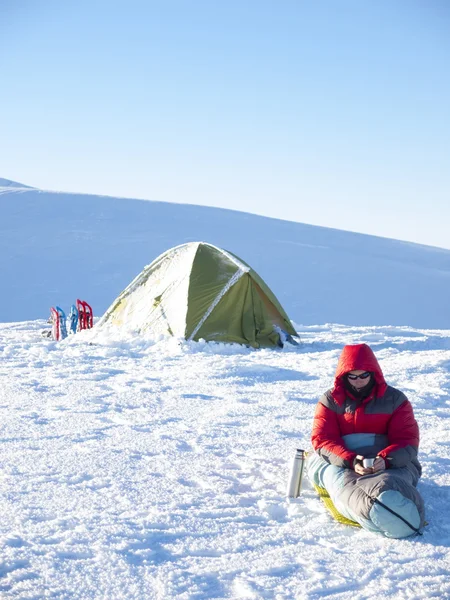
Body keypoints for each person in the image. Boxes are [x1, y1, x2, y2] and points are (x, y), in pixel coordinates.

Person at [307, 343, 425, 538]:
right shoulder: (330, 400)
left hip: (391, 459)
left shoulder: (395, 400)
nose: (358, 381)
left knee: (391, 482)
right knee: (343, 485)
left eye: (364, 375)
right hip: (342, 459)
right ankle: (378, 511)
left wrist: (386, 460)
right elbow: (323, 439)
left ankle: (392, 507)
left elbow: (407, 440)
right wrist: (351, 460)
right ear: (344, 376)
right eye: (352, 376)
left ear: (373, 373)